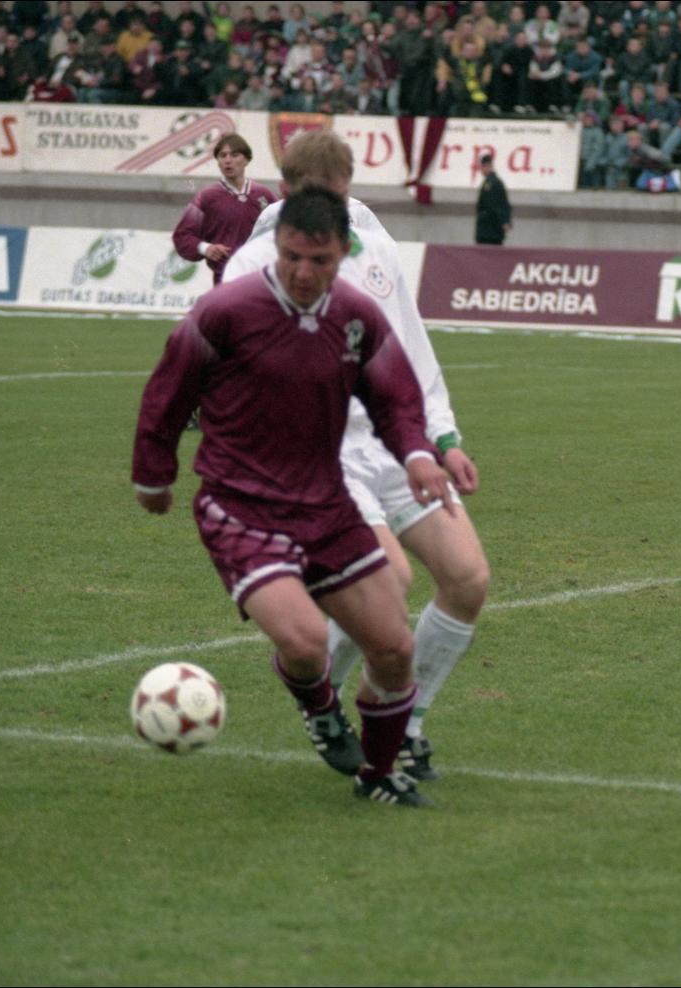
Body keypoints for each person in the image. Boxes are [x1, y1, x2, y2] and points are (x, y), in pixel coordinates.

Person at [132, 186, 454, 809]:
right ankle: (321, 706)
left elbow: (395, 400)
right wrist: (154, 475)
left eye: (320, 260)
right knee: (305, 642)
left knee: (394, 648)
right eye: (292, 257)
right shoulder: (226, 311)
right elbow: (167, 392)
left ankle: (378, 774)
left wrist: (418, 453)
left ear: (344, 253)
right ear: (276, 247)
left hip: (326, 504)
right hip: (240, 507)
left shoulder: (357, 316)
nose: (304, 272)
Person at [224, 132, 490, 787]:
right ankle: (352, 712)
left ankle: (408, 721)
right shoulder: (252, 264)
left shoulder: (376, 249)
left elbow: (412, 352)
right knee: (390, 582)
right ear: (287, 193)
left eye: (338, 199)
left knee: (467, 579)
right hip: (321, 457)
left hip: (395, 447)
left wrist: (444, 438)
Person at [172, 134, 277, 286]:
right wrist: (205, 248)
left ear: (247, 159)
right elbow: (182, 235)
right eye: (222, 155)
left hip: (261, 278)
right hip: (225, 278)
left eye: (234, 155)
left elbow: (284, 231)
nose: (228, 160)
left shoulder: (264, 195)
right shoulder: (206, 197)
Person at [475, 152, 512, 245]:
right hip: (493, 231)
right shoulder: (496, 182)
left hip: (489, 231)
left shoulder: (490, 184)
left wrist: (503, 221)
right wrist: (505, 221)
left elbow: (494, 206)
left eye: (482, 167)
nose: (481, 170)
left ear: (487, 166)